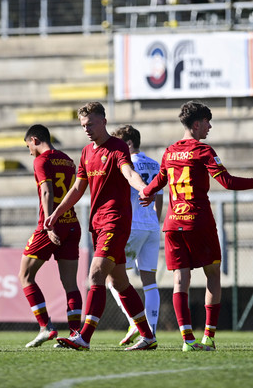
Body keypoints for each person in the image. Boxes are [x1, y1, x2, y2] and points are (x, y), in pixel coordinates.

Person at [140, 101, 253, 352]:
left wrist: (147, 192)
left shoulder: (169, 152)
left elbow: (160, 180)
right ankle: (208, 337)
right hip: (198, 221)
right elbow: (228, 182)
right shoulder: (203, 150)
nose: (210, 127)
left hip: (173, 224)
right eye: (207, 122)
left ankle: (187, 341)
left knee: (180, 280)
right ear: (197, 123)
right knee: (213, 274)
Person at [45, 101, 157, 351]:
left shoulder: (117, 147)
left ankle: (83, 336)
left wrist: (144, 189)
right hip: (97, 223)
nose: (87, 129)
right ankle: (148, 336)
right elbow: (77, 189)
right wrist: (56, 213)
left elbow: (129, 173)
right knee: (119, 282)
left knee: (95, 273)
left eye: (91, 124)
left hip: (115, 221)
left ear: (104, 121)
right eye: (83, 125)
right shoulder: (86, 153)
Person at [20, 124, 83, 348]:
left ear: (35, 139)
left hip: (51, 226)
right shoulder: (67, 160)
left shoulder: (41, 160)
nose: (29, 151)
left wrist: (49, 224)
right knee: (70, 284)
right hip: (72, 224)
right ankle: (76, 333)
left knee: (25, 275)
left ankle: (45, 327)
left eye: (28, 145)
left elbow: (47, 190)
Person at [107, 125, 163, 346]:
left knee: (113, 278)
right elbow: (158, 198)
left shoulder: (127, 165)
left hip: (132, 226)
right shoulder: (155, 163)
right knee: (150, 283)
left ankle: (134, 322)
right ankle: (152, 332)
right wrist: (153, 221)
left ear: (128, 143)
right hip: (151, 226)